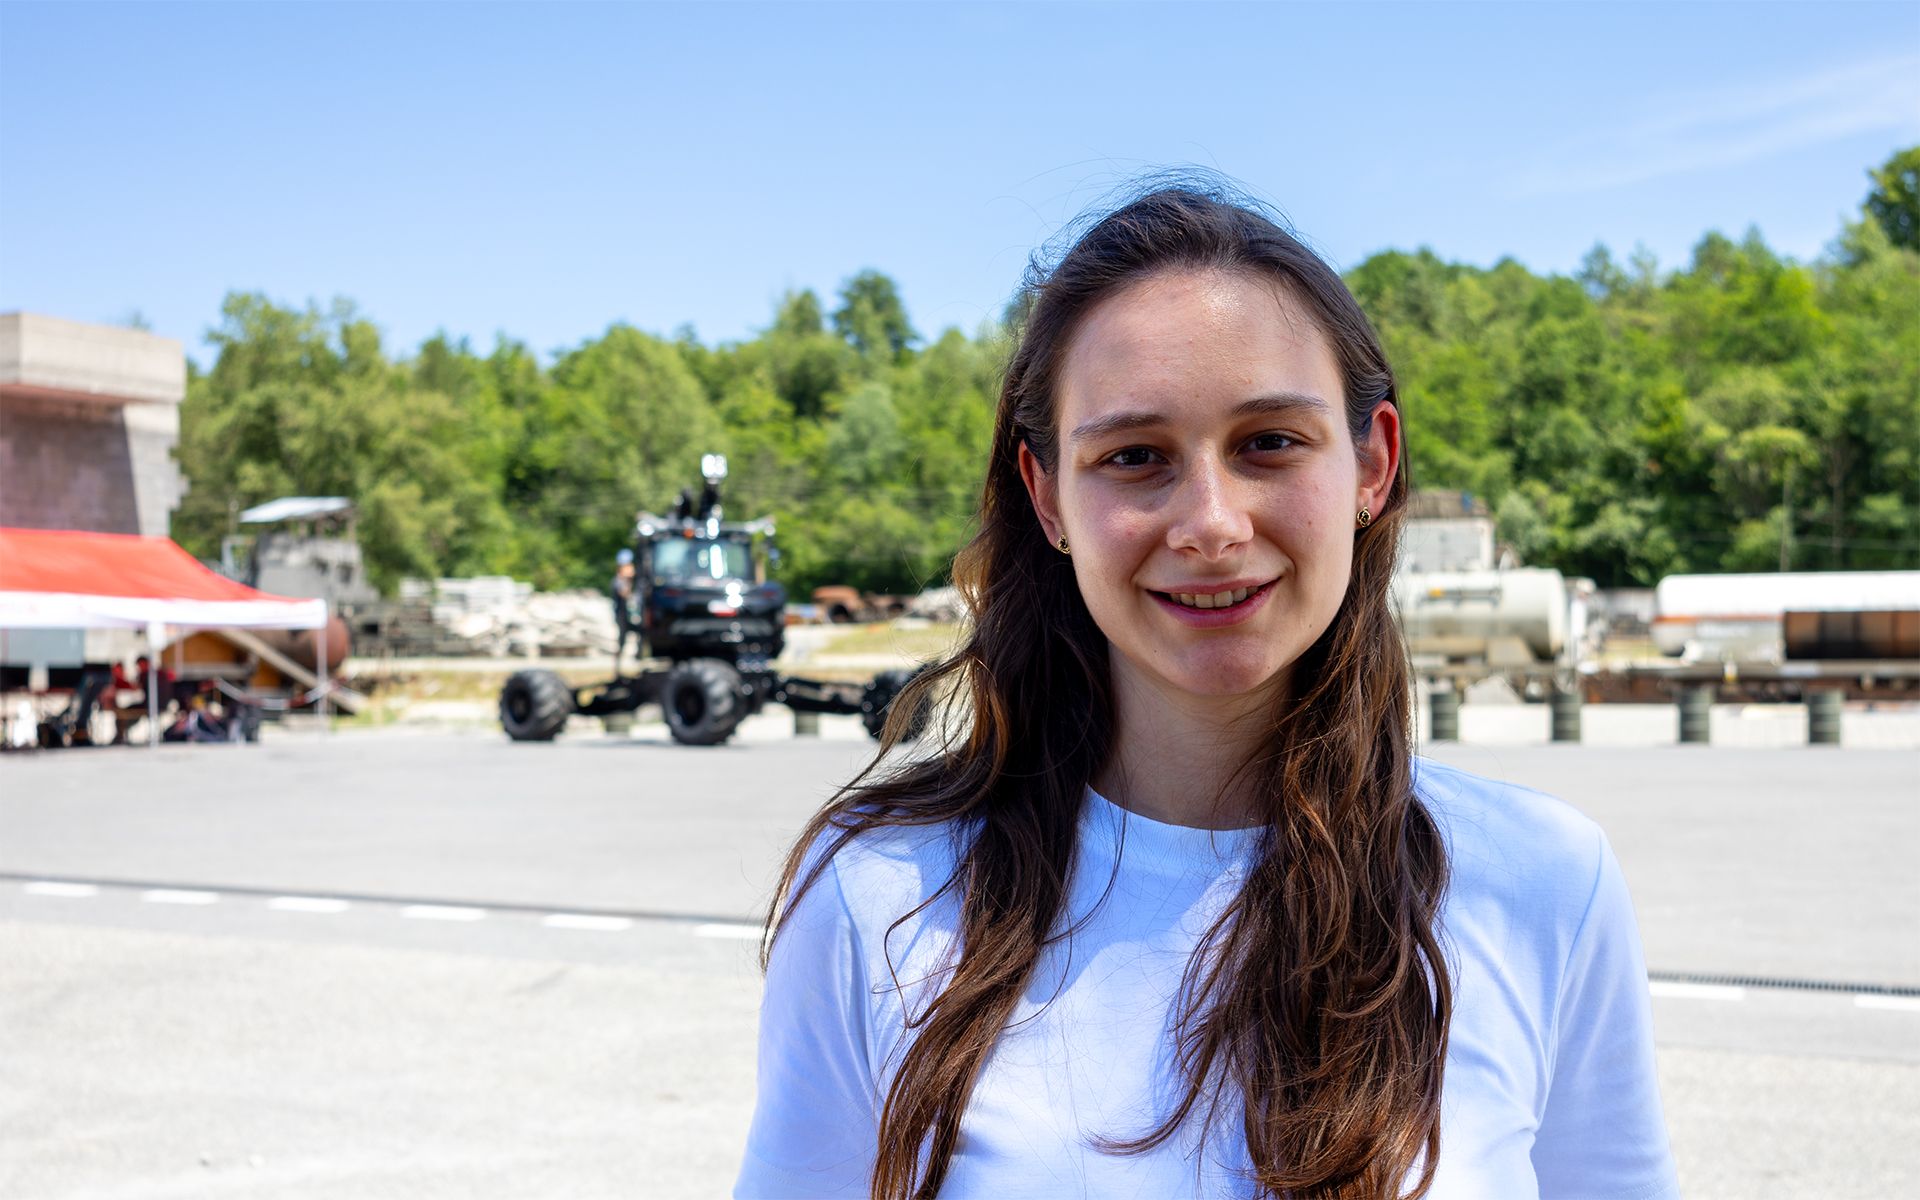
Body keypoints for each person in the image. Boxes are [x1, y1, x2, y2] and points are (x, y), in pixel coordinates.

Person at [735, 186, 1679, 1199]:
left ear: (1374, 461)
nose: (1211, 523)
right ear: (1049, 497)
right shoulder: (878, 896)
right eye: (1135, 458)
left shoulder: (1542, 884)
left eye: (1269, 442)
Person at [612, 548, 640, 671]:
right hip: (621, 616)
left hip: (625, 615)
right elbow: (624, 593)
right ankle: (617, 669)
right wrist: (628, 579)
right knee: (622, 641)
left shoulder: (622, 580)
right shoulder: (618, 581)